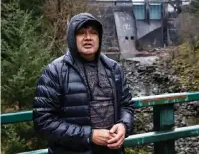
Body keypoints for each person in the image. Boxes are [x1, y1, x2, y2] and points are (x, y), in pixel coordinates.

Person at [33, 13, 135, 154]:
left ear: (99, 37)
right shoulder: (55, 71)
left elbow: (127, 106)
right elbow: (43, 121)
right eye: (81, 33)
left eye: (93, 33)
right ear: (72, 38)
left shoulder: (114, 69)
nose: (88, 38)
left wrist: (124, 125)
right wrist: (89, 135)